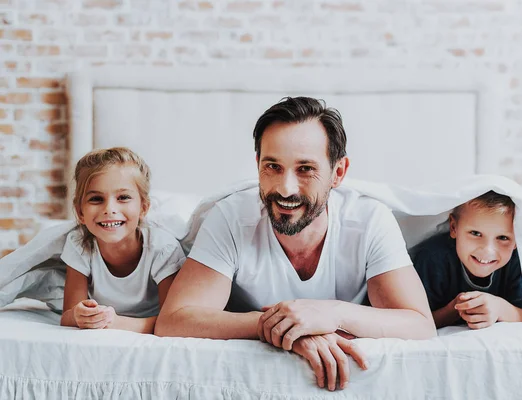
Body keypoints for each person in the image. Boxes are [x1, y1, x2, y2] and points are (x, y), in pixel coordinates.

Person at [155, 97, 436, 391]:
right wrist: (285, 327)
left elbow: (419, 324)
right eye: (273, 166)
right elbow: (173, 320)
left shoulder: (369, 220)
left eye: (305, 169)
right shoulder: (231, 217)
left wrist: (330, 315)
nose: (286, 188)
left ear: (338, 173)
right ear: (257, 165)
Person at [60, 147, 185, 334]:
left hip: (150, 321)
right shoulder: (79, 244)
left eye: (123, 197)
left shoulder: (162, 248)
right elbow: (68, 316)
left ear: (143, 207)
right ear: (80, 213)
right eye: (96, 199)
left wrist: (115, 322)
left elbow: (174, 320)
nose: (109, 209)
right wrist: (79, 316)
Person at [412, 191, 522, 329]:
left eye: (502, 238)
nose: (487, 250)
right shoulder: (432, 258)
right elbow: (412, 321)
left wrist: (500, 309)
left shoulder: (519, 261)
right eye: (475, 233)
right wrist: (455, 309)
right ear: (453, 227)